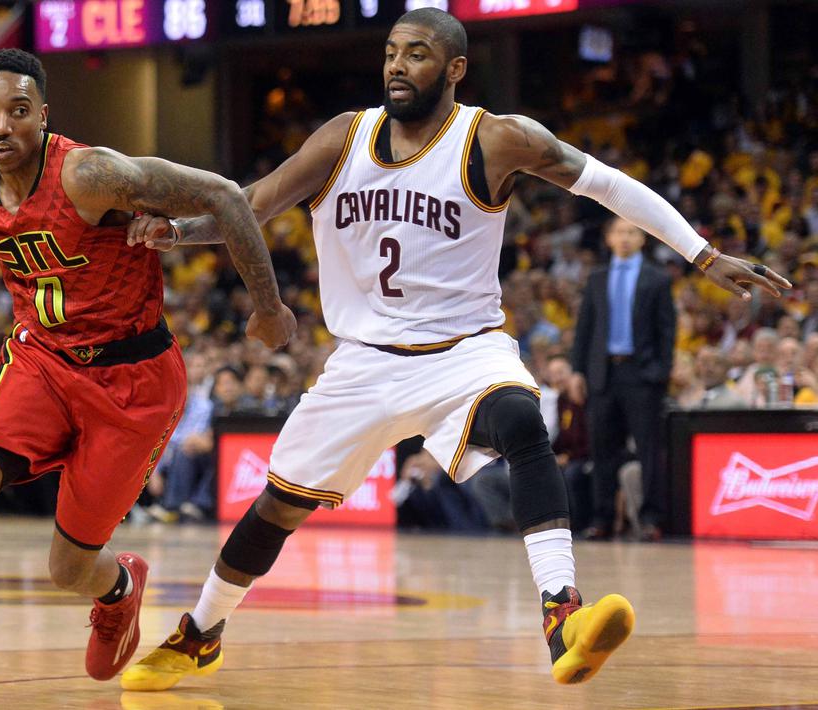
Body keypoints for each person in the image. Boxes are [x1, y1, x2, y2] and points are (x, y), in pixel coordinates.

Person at [119, 8, 789, 691]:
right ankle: (199, 634)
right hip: (362, 360)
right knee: (276, 509)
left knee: (524, 423)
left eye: (415, 53)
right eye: (389, 52)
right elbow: (253, 202)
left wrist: (701, 255)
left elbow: (608, 184)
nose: (396, 66)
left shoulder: (495, 139)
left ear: (454, 67)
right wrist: (178, 231)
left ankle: (563, 616)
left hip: (461, 352)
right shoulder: (343, 137)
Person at [0, 48, 295, 708]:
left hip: (135, 380)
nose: (2, 125)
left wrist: (266, 305)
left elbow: (225, 196)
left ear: (42, 116)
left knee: (67, 568)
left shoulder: (91, 174)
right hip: (41, 362)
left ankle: (117, 590)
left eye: (17, 111)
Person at [570, 218, 675, 542]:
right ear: (609, 237)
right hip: (603, 373)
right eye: (619, 232)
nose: (625, 238)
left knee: (648, 450)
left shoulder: (656, 279)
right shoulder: (597, 278)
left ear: (642, 239)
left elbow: (667, 330)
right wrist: (577, 370)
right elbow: (585, 328)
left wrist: (659, 372)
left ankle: (650, 518)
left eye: (631, 232)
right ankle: (602, 519)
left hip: (640, 374)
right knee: (602, 451)